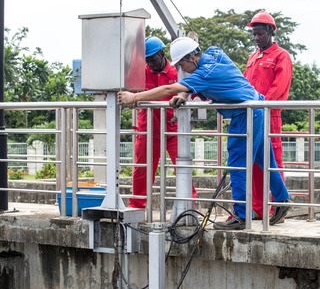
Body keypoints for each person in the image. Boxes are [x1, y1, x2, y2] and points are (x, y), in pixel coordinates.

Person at [118, 37, 292, 230]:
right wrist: (185, 94)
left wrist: (134, 97)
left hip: (245, 116)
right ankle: (282, 200)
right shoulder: (216, 53)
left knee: (237, 166)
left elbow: (169, 88)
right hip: (259, 108)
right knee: (265, 159)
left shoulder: (203, 74)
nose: (183, 70)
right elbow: (189, 85)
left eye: (183, 64)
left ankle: (242, 217)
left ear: (192, 57)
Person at [128, 36, 195, 208]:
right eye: (147, 60)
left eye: (153, 59)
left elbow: (189, 90)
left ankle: (190, 204)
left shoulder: (177, 71)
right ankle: (137, 205)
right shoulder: (140, 72)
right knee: (142, 168)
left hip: (174, 128)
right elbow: (128, 92)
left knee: (182, 167)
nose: (150, 64)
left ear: (162, 53)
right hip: (148, 127)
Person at [245, 11, 293, 219]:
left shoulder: (281, 56)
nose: (256, 38)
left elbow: (279, 88)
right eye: (254, 34)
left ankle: (278, 206)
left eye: (260, 34)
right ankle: (258, 208)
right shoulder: (252, 57)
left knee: (274, 162)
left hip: (269, 115)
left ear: (271, 32)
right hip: (251, 115)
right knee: (254, 161)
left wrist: (261, 106)